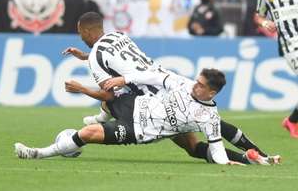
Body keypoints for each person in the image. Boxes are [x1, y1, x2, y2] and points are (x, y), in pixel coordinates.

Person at [62, 11, 279, 164]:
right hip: (165, 81)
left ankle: (98, 120)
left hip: (155, 101)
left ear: (87, 32)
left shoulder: (98, 56)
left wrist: (82, 88)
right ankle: (258, 156)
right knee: (204, 136)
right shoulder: (118, 35)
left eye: (80, 33)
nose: (80, 37)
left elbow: (107, 92)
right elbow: (122, 60)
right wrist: (86, 56)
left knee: (112, 99)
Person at [15, 68, 273, 165]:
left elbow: (216, 147)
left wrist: (231, 162)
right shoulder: (182, 83)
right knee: (112, 92)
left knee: (86, 134)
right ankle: (100, 117)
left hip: (139, 131)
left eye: (201, 85)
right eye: (197, 81)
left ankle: (38, 153)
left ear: (212, 92)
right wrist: (124, 78)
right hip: (136, 105)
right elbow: (151, 76)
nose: (195, 85)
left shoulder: (209, 117)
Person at [254, 0, 298, 138]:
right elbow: (259, 15)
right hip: (290, 44)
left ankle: (292, 120)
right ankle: (292, 121)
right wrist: (265, 22)